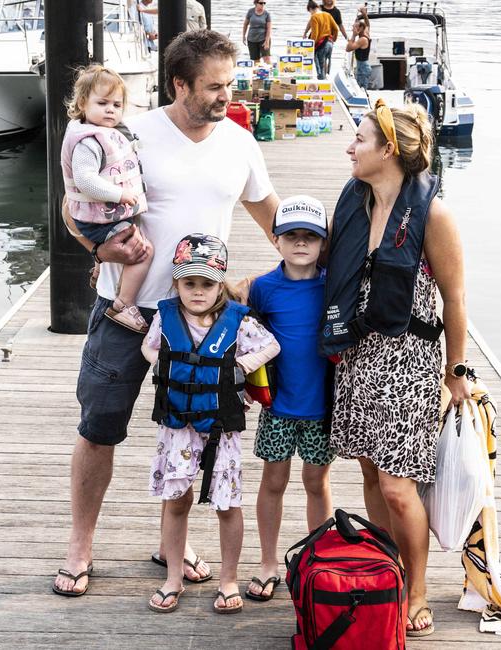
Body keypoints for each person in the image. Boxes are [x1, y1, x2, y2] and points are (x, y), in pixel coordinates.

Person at [52, 29, 279, 598]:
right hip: (127, 309)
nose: (226, 95)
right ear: (179, 84)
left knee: (195, 429)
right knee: (99, 426)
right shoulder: (132, 134)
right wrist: (95, 247)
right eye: (213, 86)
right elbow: (72, 205)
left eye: (230, 83)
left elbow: (273, 218)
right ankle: (80, 547)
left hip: (203, 319)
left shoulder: (238, 141)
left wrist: (322, 274)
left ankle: (171, 544)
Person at [320, 99, 471, 637]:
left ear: (388, 149)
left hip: (407, 361)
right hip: (358, 358)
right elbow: (315, 261)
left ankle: (419, 586)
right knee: (367, 473)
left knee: (398, 487)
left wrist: (456, 372)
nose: (350, 147)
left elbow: (454, 299)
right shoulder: (354, 203)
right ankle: (386, 569)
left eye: (359, 138)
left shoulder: (433, 213)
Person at [142, 233, 280, 614]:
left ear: (220, 283)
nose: (198, 291)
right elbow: (149, 345)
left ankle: (228, 578)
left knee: (227, 504)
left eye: (206, 283)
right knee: (175, 500)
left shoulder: (238, 321)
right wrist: (163, 365)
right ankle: (173, 576)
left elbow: (271, 345)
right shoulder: (166, 316)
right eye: (189, 283)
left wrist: (240, 367)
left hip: (221, 429)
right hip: (177, 429)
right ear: (177, 283)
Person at [244, 196, 334, 602]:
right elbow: (251, 334)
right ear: (276, 240)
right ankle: (267, 563)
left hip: (321, 409)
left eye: (310, 237)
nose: (301, 244)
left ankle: (319, 556)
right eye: (291, 236)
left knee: (316, 481)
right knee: (274, 481)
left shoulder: (334, 286)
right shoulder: (263, 288)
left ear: (322, 243)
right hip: (278, 407)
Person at [61, 64, 153, 334]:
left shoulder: (112, 134)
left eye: (116, 104)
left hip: (106, 215)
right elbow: (85, 180)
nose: (111, 109)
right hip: (96, 219)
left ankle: (103, 270)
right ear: (82, 104)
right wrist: (120, 194)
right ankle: (123, 305)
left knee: (133, 242)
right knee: (143, 253)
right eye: (102, 103)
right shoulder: (88, 142)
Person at [304, 1, 338, 80]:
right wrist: (334, 39)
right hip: (329, 43)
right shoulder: (327, 15)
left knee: (320, 68)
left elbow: (315, 34)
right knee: (325, 64)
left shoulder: (314, 17)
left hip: (321, 45)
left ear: (311, 9)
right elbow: (336, 28)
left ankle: (322, 85)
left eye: (310, 12)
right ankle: (326, 81)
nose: (310, 14)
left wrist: (311, 46)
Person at [346, 12, 371, 90]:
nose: (352, 29)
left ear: (360, 29)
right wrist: (364, 15)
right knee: (361, 89)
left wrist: (353, 35)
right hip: (363, 66)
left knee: (361, 89)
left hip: (362, 68)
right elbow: (367, 25)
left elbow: (348, 48)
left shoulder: (362, 39)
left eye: (354, 27)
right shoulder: (366, 33)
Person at [242, 0, 272, 64]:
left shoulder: (267, 14)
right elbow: (245, 24)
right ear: (256, 3)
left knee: (267, 58)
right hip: (251, 39)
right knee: (256, 60)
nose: (263, 4)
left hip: (263, 39)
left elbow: (269, 28)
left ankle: (270, 71)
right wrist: (243, 36)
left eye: (264, 3)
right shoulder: (250, 12)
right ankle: (259, 73)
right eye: (261, 3)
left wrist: (267, 41)